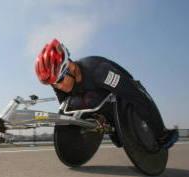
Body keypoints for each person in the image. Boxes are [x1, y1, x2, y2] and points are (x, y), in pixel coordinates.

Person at [35, 39, 178, 149]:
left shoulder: (100, 72)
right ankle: (109, 124)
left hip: (121, 90)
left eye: (59, 81)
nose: (58, 87)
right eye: (53, 84)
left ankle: (160, 132)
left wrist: (160, 134)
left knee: (132, 97)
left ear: (70, 68)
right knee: (118, 140)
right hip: (95, 96)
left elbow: (135, 96)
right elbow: (67, 112)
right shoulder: (57, 81)